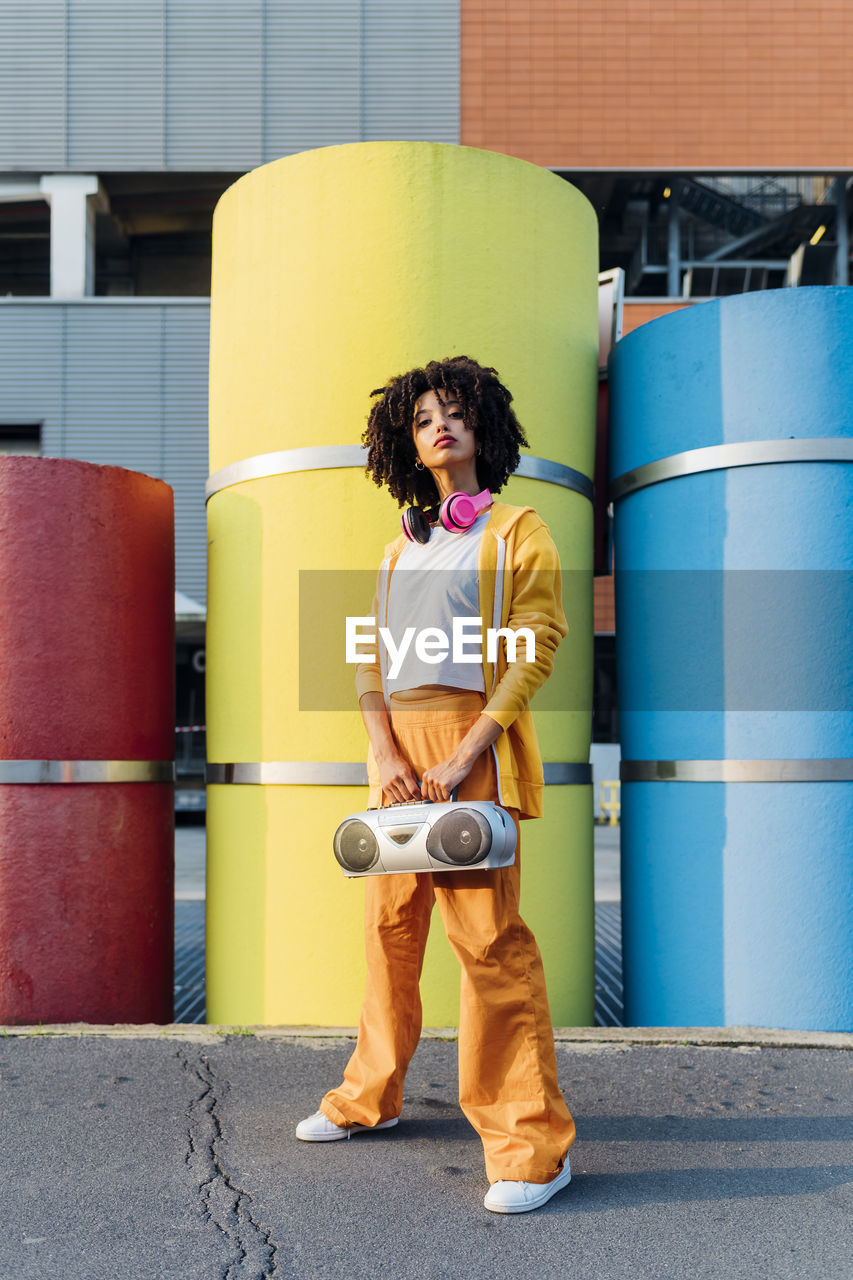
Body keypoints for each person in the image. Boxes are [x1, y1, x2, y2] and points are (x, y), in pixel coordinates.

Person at [296, 356, 576, 1214]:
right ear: (407, 445)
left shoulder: (519, 529)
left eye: (454, 412)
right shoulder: (395, 549)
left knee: (488, 941)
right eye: (422, 419)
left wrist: (472, 750)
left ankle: (531, 1146)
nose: (439, 426)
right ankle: (368, 1096)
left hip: (470, 739)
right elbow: (364, 656)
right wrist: (381, 751)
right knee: (390, 929)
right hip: (398, 747)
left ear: (483, 429)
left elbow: (538, 640)